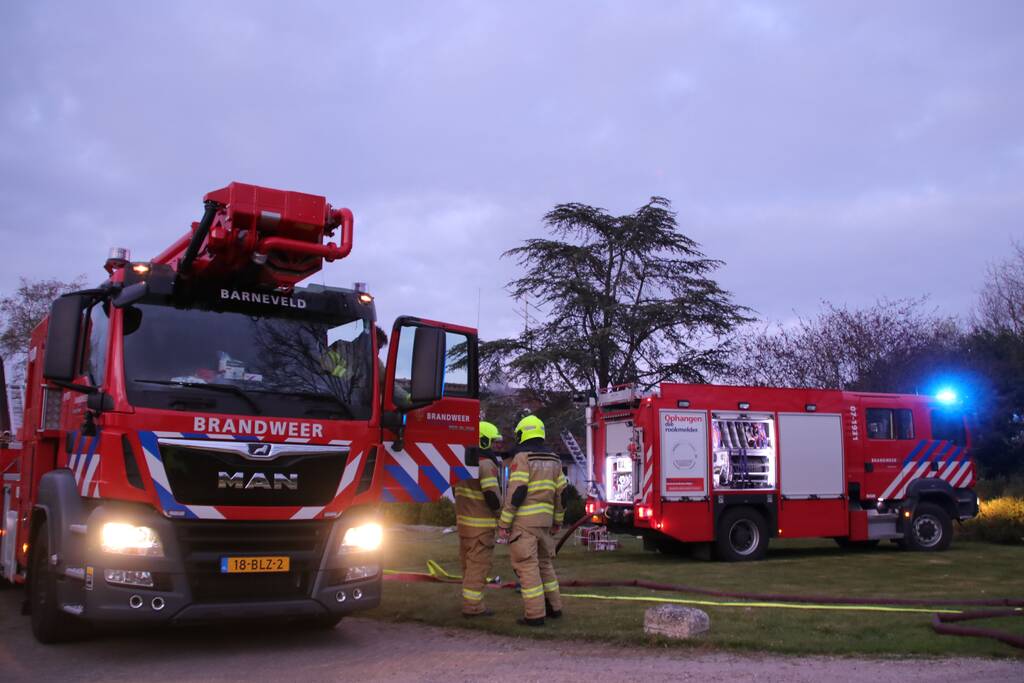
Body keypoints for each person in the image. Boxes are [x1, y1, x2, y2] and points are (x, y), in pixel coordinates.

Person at [497, 415, 567, 626]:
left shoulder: (523, 458)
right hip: (545, 523)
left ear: (523, 433)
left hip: (524, 524)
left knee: (527, 567)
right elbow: (561, 495)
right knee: (545, 565)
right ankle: (555, 608)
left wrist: (504, 524)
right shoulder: (555, 460)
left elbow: (517, 492)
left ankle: (535, 615)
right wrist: (558, 520)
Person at [454, 420, 504, 617]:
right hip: (481, 529)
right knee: (478, 567)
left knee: (468, 566)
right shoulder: (486, 464)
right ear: (483, 441)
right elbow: (492, 494)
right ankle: (473, 607)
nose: (497, 446)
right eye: (493, 442)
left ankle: (469, 602)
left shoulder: (461, 463)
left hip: (464, 525)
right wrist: (502, 514)